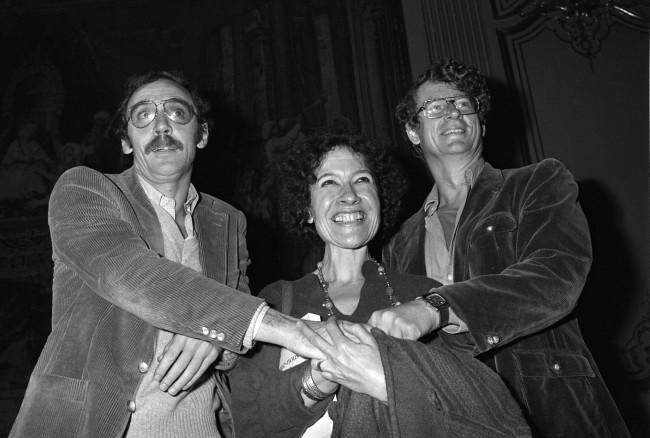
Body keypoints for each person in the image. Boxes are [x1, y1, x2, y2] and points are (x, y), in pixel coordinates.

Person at [9, 71, 327, 438]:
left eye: (177, 113)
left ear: (202, 134)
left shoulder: (229, 221)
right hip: (89, 424)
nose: (160, 124)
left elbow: (235, 348)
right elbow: (128, 274)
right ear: (127, 141)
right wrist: (287, 330)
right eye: (142, 115)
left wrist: (214, 337)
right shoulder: (84, 188)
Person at [369, 59, 630, 437]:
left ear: (482, 123)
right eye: (436, 107)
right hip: (456, 418)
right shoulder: (399, 243)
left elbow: (557, 276)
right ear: (413, 131)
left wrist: (439, 306)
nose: (453, 113)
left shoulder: (538, 182)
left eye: (463, 104)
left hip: (550, 409)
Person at [228, 130, 530, 437]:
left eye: (362, 180)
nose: (349, 195)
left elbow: (464, 406)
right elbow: (246, 420)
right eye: (329, 182)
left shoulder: (423, 295)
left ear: (380, 199)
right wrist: (315, 380)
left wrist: (387, 377)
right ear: (306, 209)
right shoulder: (279, 300)